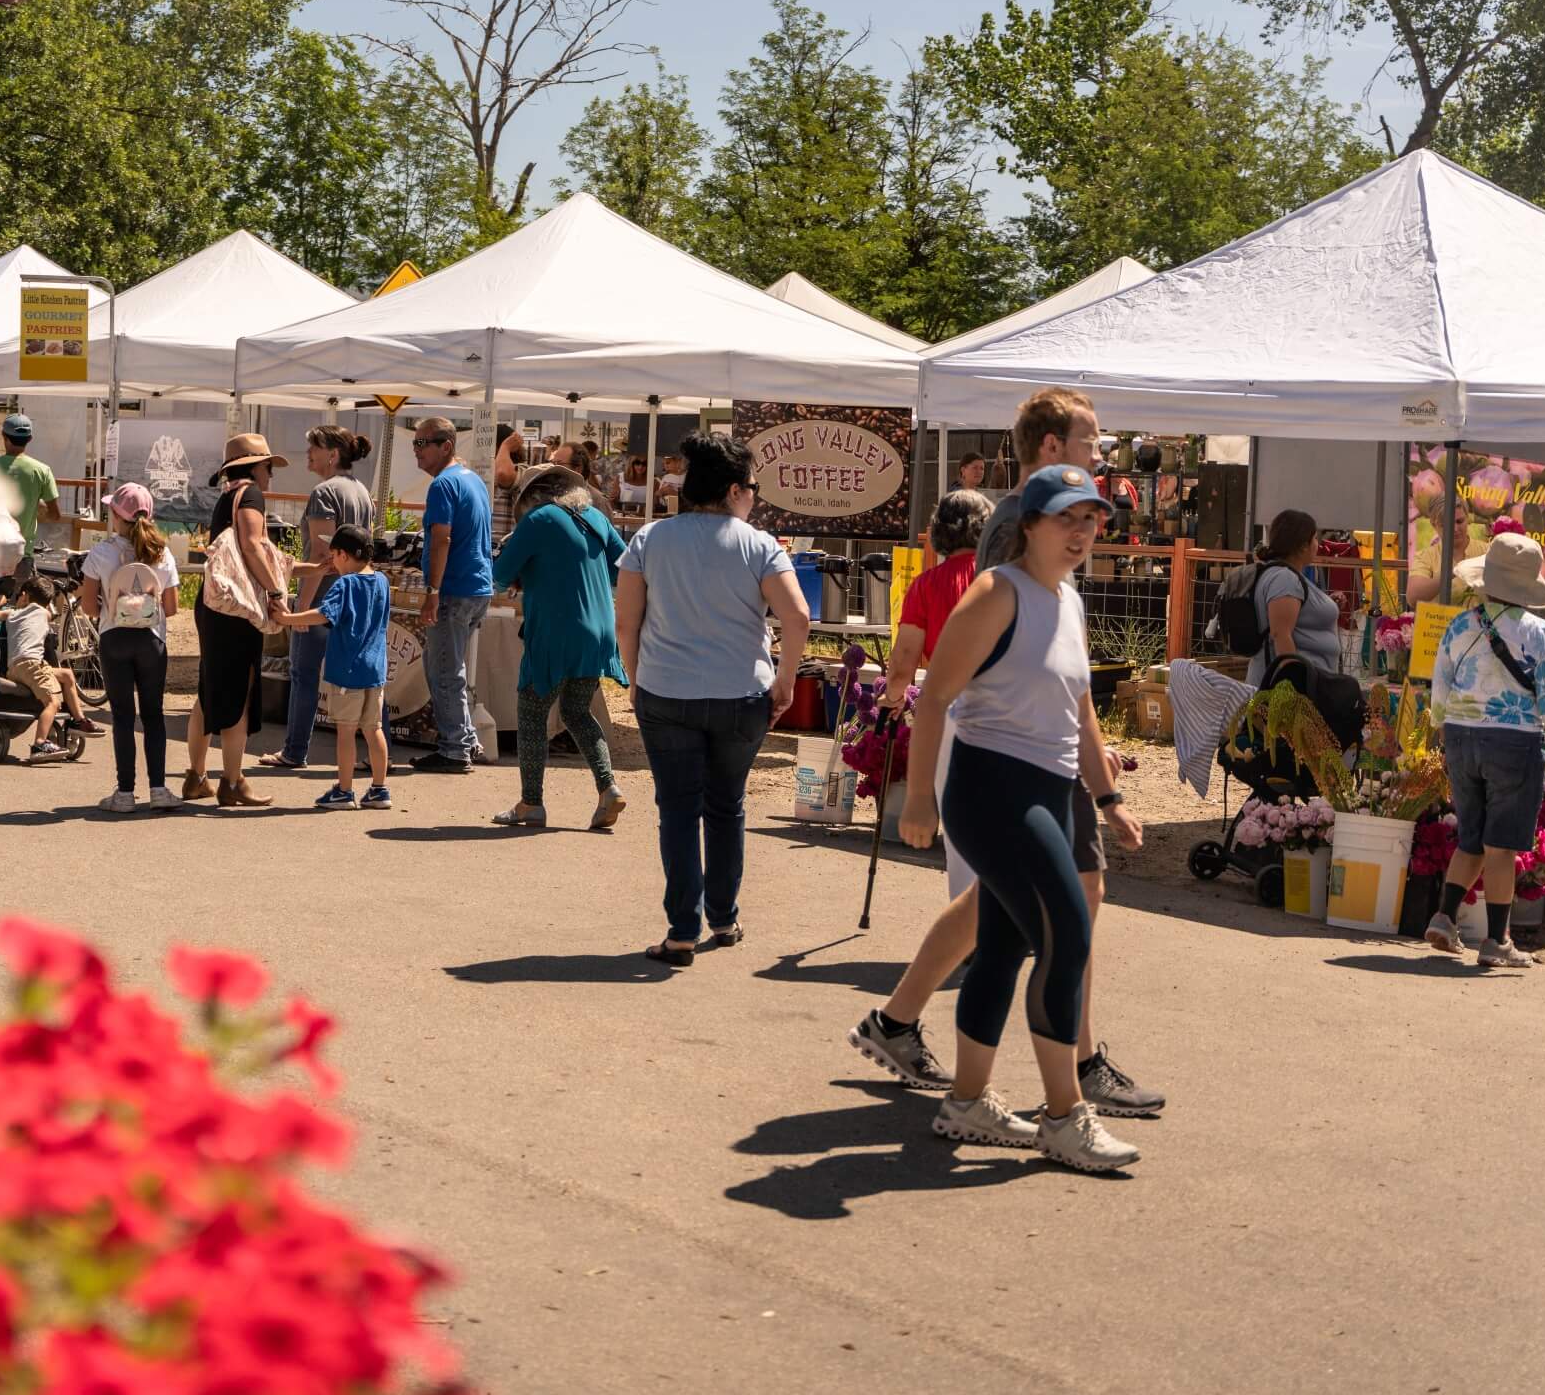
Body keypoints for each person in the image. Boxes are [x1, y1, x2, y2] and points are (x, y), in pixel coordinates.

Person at [850, 387, 1164, 1119]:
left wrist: (1096, 767)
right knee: (1060, 912)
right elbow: (959, 673)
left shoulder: (1060, 542)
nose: (1098, 455)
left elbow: (1066, 667)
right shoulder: (1013, 543)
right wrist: (925, 792)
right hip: (1006, 757)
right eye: (1089, 442)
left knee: (1000, 914)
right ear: (1051, 449)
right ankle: (1073, 1079)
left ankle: (909, 1031)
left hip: (1043, 756)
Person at [899, 464, 1145, 1173]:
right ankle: (1066, 1116)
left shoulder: (1065, 599)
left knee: (1006, 947)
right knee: (1066, 933)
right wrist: (919, 797)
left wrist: (1109, 799)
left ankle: (968, 1101)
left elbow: (1080, 709)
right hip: (990, 788)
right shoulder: (995, 593)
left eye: (1091, 518)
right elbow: (935, 697)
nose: (1081, 531)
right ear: (1028, 525)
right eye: (1066, 517)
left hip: (1044, 787)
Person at [615, 433, 810, 966]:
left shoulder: (650, 540)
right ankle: (723, 918)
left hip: (666, 690)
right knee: (727, 806)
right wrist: (787, 679)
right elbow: (796, 618)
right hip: (741, 694)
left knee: (677, 810)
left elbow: (626, 622)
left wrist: (634, 678)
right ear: (732, 490)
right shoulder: (759, 544)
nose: (754, 496)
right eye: (751, 487)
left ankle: (681, 931)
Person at [1423, 533, 1545, 967]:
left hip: (1459, 735)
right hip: (1513, 740)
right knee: (1501, 848)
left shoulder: (1459, 625)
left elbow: (1438, 694)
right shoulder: (1542, 632)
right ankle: (1497, 941)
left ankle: (1443, 918)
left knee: (1471, 838)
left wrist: (1444, 734)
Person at [491, 463, 630, 831]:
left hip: (555, 630)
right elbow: (624, 568)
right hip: (599, 631)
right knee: (577, 711)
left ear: (537, 495)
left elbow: (501, 573)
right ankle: (608, 787)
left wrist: (527, 572)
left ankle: (530, 803)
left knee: (532, 714)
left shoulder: (540, 518)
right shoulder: (595, 519)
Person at [179, 434, 292, 808]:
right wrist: (276, 592)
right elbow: (252, 543)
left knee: (209, 690)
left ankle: (196, 776)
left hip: (213, 604)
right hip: (236, 611)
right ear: (255, 467)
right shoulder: (252, 496)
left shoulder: (227, 496)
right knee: (238, 695)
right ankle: (233, 781)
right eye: (268, 467)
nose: (271, 475)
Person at [271, 427, 377, 771]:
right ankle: (378, 753)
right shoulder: (361, 491)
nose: (308, 454)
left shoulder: (324, 492)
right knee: (362, 678)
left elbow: (321, 551)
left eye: (313, 448)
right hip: (355, 596)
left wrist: (302, 605)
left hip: (325, 596)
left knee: (303, 675)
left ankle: (294, 750)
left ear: (332, 454)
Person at [274, 523, 393, 810]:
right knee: (374, 729)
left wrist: (288, 619)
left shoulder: (345, 584)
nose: (332, 562)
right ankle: (379, 789)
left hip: (346, 672)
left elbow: (323, 614)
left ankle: (344, 789)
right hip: (374, 670)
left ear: (343, 554)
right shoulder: (382, 582)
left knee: (346, 732)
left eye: (334, 555)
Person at [80, 483, 180, 812]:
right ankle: (159, 790)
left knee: (123, 716)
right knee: (153, 715)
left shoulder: (101, 552)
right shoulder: (163, 554)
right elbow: (173, 606)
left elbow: (90, 609)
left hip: (114, 639)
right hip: (151, 641)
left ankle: (124, 793)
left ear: (115, 515)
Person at [409, 416, 494, 774]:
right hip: (475, 586)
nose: (417, 451)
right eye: (415, 442)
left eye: (422, 443)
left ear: (446, 445)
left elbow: (442, 539)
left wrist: (432, 590)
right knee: (444, 667)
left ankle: (456, 748)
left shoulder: (444, 485)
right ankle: (464, 740)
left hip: (455, 589)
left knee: (444, 671)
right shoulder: (472, 480)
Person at [876, 489, 994, 710]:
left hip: (952, 707)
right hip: (1011, 708)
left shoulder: (926, 585)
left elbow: (904, 658)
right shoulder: (1006, 578)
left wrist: (892, 698)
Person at [1246, 509, 1343, 686]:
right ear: (1302, 545)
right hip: (1279, 696)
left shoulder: (1284, 576)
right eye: (1314, 538)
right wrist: (1293, 685)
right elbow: (1280, 633)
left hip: (1279, 690)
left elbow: (1297, 616)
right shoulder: (1284, 579)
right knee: (1255, 713)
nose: (1318, 544)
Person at [2, 571, 72, 761]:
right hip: (32, 664)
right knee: (53, 702)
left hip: (20, 666)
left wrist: (0, 599)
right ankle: (40, 743)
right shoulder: (44, 613)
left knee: (66, 675)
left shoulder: (12, 614)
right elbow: (48, 611)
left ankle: (78, 720)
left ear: (23, 595)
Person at [0, 412, 62, 563]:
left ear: (3, 436)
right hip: (22, 553)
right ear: (30, 439)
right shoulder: (42, 470)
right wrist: (34, 510)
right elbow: (55, 515)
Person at [491, 423, 523, 543]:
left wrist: (505, 447)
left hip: (504, 546)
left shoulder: (521, 470)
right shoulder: (486, 471)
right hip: (485, 545)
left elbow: (503, 475)